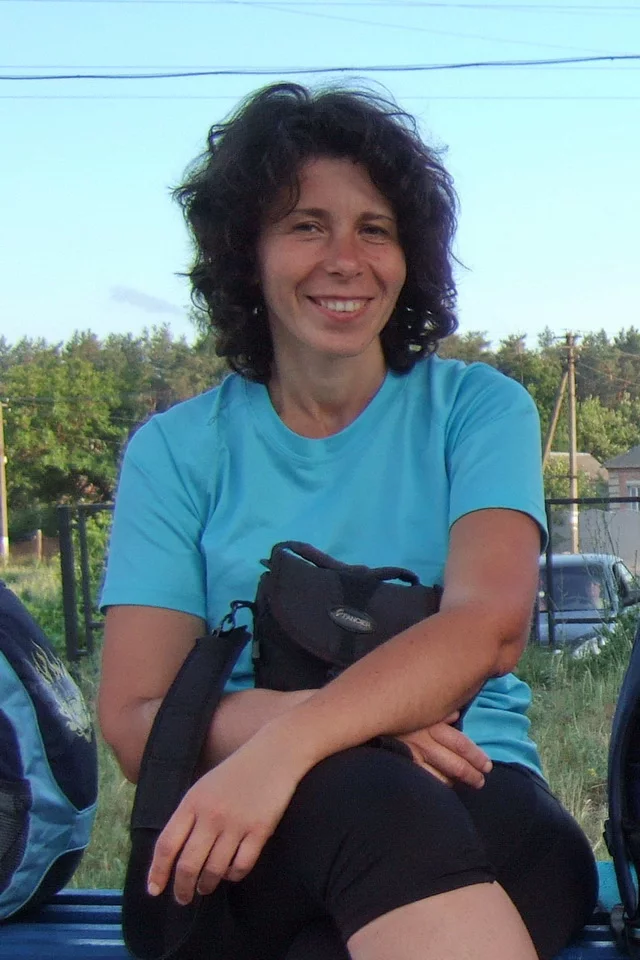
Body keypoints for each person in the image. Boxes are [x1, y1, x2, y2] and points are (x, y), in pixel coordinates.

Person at [98, 83, 597, 960]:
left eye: (375, 229)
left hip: (478, 793)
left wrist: (306, 731)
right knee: (371, 797)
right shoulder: (177, 452)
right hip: (242, 832)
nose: (345, 259)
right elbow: (138, 719)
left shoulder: (477, 410)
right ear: (246, 252)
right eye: (306, 226)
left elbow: (486, 628)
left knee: (484, 848)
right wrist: (323, 738)